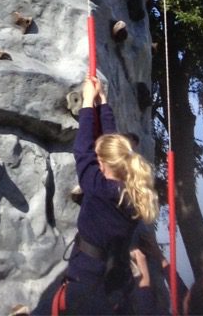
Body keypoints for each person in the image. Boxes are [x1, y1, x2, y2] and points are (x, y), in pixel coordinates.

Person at [60, 76, 160, 315]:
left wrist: (87, 102)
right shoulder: (135, 194)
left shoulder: (98, 190)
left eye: (98, 158)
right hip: (115, 276)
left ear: (103, 163)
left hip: (87, 276)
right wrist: (102, 103)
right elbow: (113, 147)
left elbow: (82, 149)